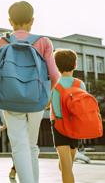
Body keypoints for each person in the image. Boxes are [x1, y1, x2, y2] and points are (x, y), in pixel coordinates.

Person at [0, 1, 60, 183]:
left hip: (10, 101)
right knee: (32, 145)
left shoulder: (0, 42)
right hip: (36, 100)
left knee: (19, 146)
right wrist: (46, 94)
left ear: (10, 21)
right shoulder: (43, 42)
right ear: (32, 20)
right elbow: (54, 75)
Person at [50, 49, 86, 183]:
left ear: (55, 65)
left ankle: (63, 164)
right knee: (67, 167)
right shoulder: (80, 84)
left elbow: (46, 104)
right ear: (75, 65)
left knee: (67, 165)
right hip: (75, 126)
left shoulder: (53, 84)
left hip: (58, 125)